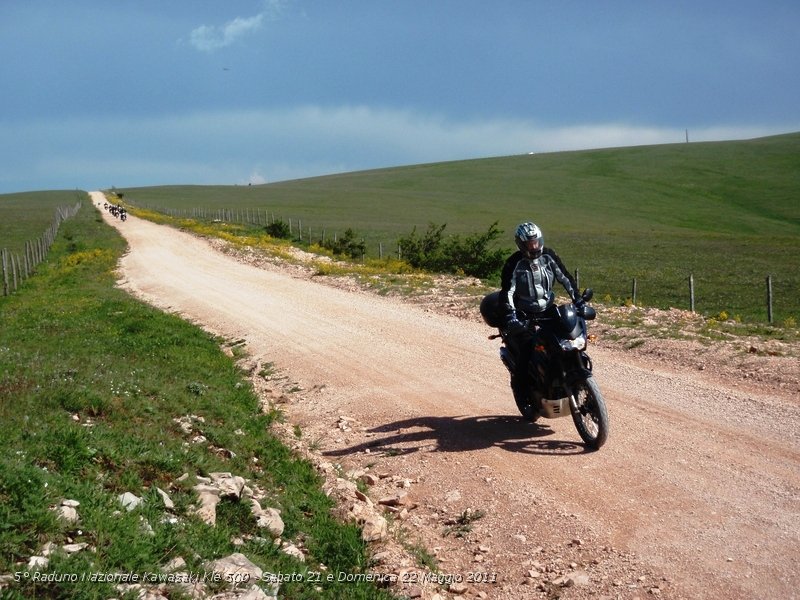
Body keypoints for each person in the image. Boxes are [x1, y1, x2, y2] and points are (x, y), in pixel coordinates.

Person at [500, 222, 579, 397]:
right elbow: (507, 291)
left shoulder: (549, 256)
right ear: (521, 244)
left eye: (536, 242)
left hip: (548, 309)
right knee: (528, 348)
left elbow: (565, 278)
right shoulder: (514, 263)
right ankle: (522, 390)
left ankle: (570, 374)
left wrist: (578, 300)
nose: (534, 246)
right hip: (524, 314)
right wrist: (511, 315)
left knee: (567, 338)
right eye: (530, 244)